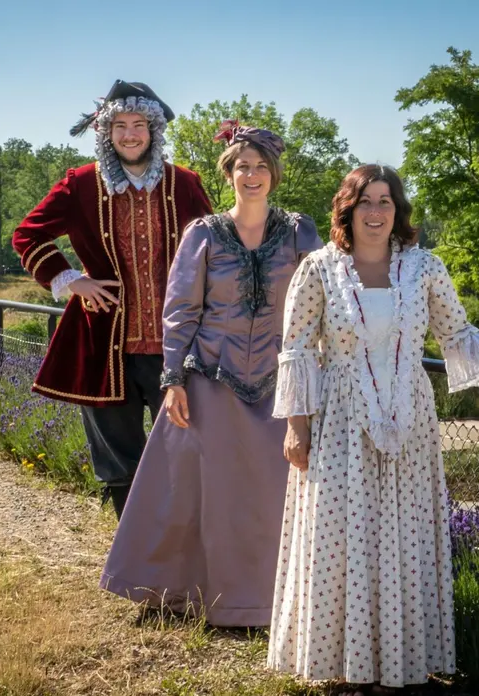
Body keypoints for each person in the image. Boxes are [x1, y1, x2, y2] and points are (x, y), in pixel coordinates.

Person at [267, 164, 479, 696]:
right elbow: (298, 351)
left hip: (410, 417)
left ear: (398, 211)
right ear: (346, 210)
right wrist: (296, 430)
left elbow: (457, 333)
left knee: (403, 534)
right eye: (366, 202)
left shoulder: (424, 268)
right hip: (341, 421)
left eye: (386, 202)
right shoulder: (319, 270)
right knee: (341, 537)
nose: (376, 212)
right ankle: (346, 666)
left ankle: (398, 663)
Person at [99, 121, 323, 627]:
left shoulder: (298, 232)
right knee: (197, 491)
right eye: (243, 166)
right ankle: (179, 595)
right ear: (229, 174)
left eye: (262, 166)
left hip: (278, 383)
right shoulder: (203, 234)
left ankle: (273, 605)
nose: (252, 174)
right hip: (211, 380)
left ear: (275, 174)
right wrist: (173, 378)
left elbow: (323, 301)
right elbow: (180, 310)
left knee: (272, 496)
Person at [11, 80, 212, 518]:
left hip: (177, 348)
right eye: (120, 125)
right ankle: (131, 554)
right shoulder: (81, 184)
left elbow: (217, 253)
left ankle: (182, 555)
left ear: (154, 130)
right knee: (119, 460)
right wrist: (68, 279)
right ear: (106, 131)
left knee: (186, 450)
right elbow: (27, 234)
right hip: (105, 344)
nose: (130, 134)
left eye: (139, 124)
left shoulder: (185, 184)